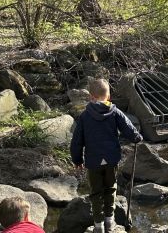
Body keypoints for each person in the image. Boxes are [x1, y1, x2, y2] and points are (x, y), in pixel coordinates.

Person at [70, 78, 143, 233]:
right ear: (108, 96)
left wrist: (77, 159)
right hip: (111, 159)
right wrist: (136, 137)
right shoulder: (114, 112)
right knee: (110, 188)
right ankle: (110, 221)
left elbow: (77, 141)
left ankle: (98, 225)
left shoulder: (84, 116)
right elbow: (127, 127)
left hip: (94, 161)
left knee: (96, 192)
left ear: (91, 96)